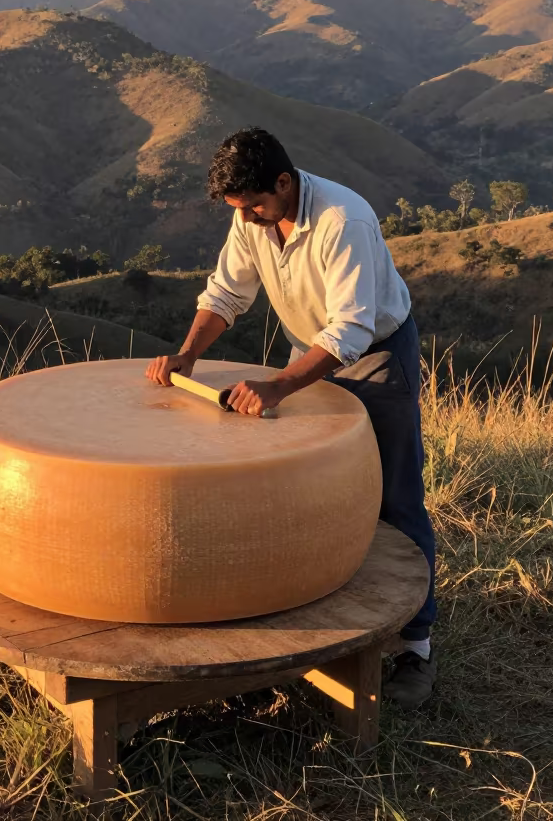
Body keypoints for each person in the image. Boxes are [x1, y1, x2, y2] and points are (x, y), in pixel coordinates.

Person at [146, 127, 437, 708]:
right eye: (238, 209)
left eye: (254, 205)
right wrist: (188, 354)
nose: (246, 218)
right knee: (306, 489)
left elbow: (351, 329)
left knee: (395, 496)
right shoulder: (252, 217)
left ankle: (416, 646)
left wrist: (279, 385)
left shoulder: (343, 221)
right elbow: (226, 293)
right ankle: (317, 627)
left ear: (284, 182)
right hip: (309, 353)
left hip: (376, 358)